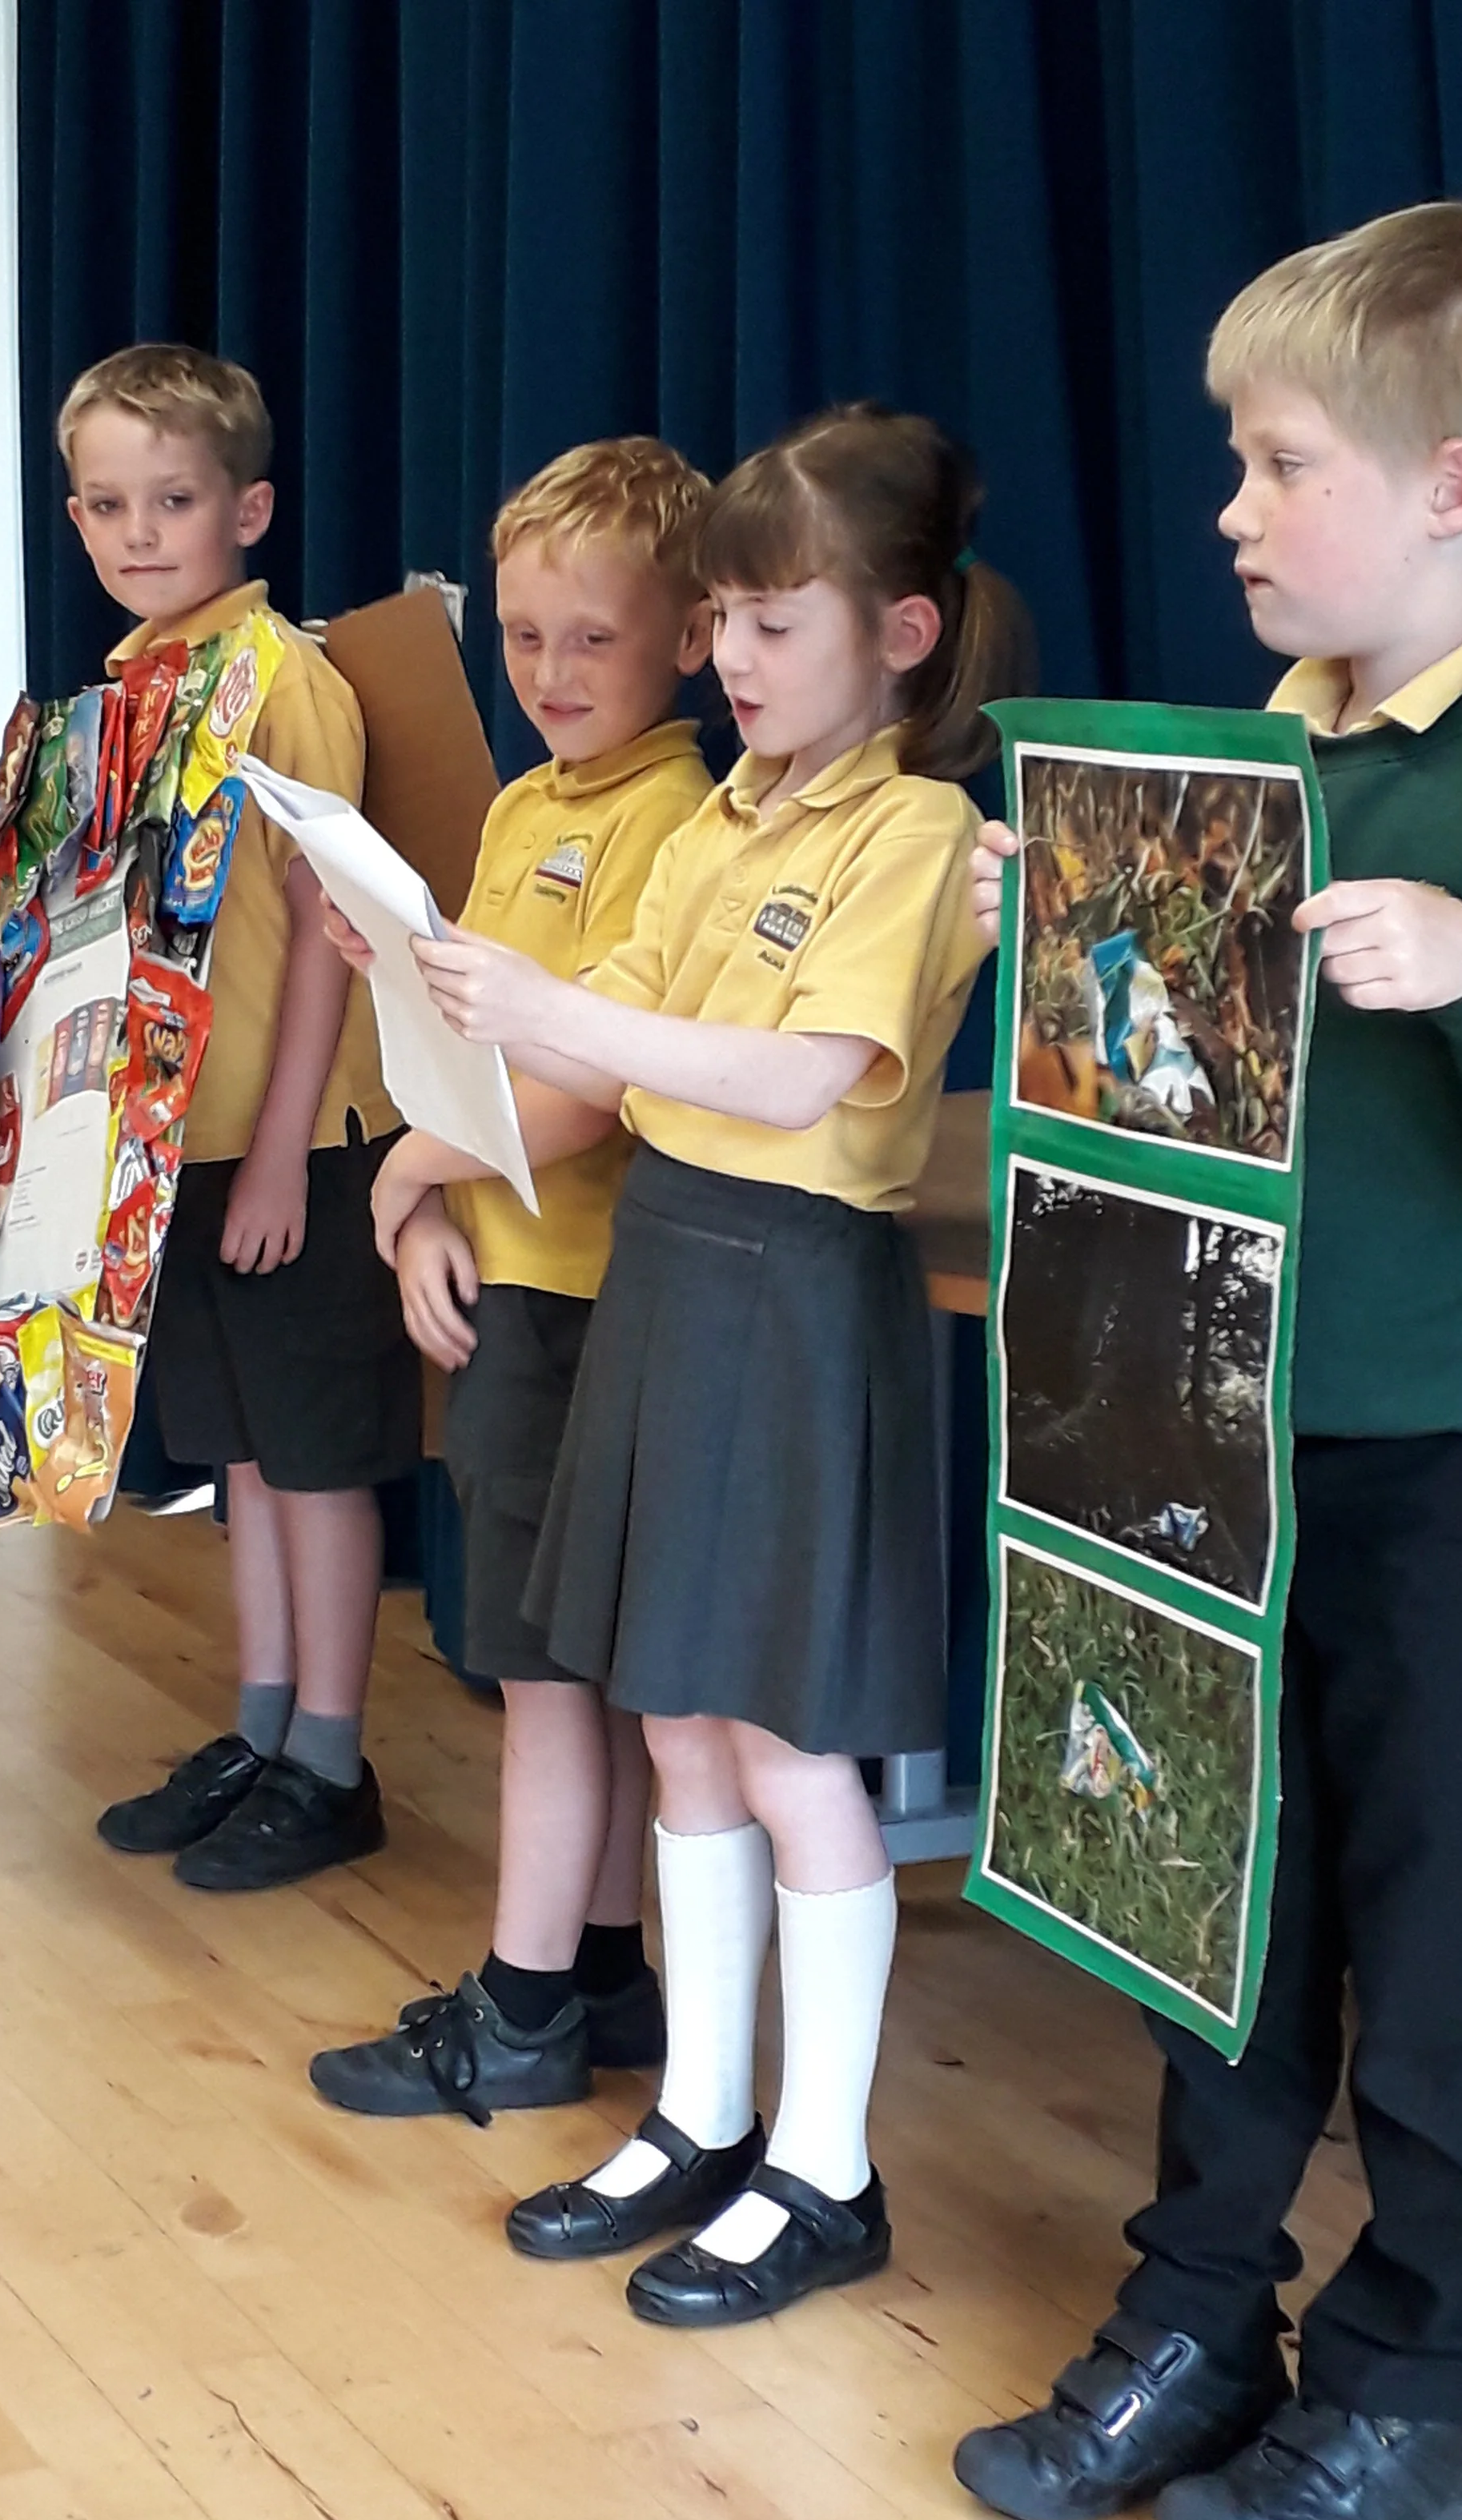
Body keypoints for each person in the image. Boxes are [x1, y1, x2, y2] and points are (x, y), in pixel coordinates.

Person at [954, 189, 1462, 2520]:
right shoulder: (1241, 758)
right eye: (1236, 463)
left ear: (1454, 489)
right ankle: (1198, 2309)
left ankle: (1419, 2381)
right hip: (1205, 1433)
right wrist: (1054, 925)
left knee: (1441, 1930)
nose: (1229, 512)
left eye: (1278, 466)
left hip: (1453, 1462)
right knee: (1215, 1898)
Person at [400, 403, 1030, 2322]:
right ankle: (699, 2111)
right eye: (727, 622)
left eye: (772, 622)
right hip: (670, 1268)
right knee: (675, 1715)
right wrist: (441, 1032)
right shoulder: (729, 813)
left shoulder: (914, 830)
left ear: (897, 634)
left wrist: (548, 1010)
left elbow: (793, 1076)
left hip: (788, 1282)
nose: (733, 659)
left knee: (778, 1736)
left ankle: (823, 2165)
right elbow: (607, 1037)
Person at [307, 438, 714, 2120]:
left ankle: (525, 2005)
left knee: (547, 1680)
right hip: (509, 1275)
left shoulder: (673, 818)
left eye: (592, 638)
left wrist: (414, 1175)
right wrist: (422, 1202)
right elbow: (459, 1050)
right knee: (561, 1669)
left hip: (589, 1294)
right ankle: (602, 1973)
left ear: (692, 635)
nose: (550, 671)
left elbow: (592, 1082)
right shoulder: (527, 807)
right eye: (526, 636)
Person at [78, 344, 420, 1892]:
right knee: (246, 1461)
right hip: (179, 1144)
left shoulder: (285, 681)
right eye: (106, 505)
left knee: (316, 1458)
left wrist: (283, 1149)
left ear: (250, 511)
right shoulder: (127, 687)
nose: (138, 532)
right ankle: (266, 1727)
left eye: (172, 500)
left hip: (302, 1145)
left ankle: (332, 1763)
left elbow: (331, 937)